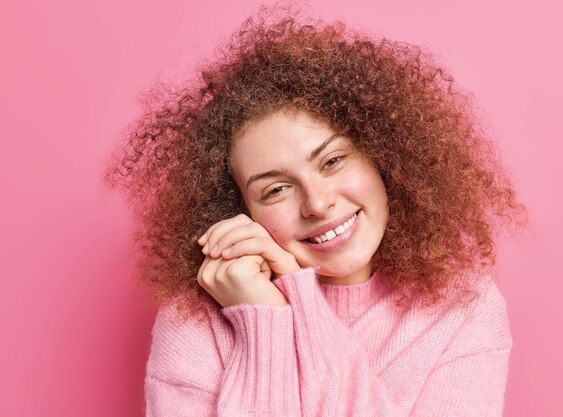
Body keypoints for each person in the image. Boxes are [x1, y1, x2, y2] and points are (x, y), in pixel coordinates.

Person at [107, 8, 526, 417]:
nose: (318, 203)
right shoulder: (196, 317)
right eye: (276, 189)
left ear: (384, 156)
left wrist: (298, 301)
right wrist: (263, 321)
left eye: (332, 161)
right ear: (240, 210)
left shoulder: (462, 307)